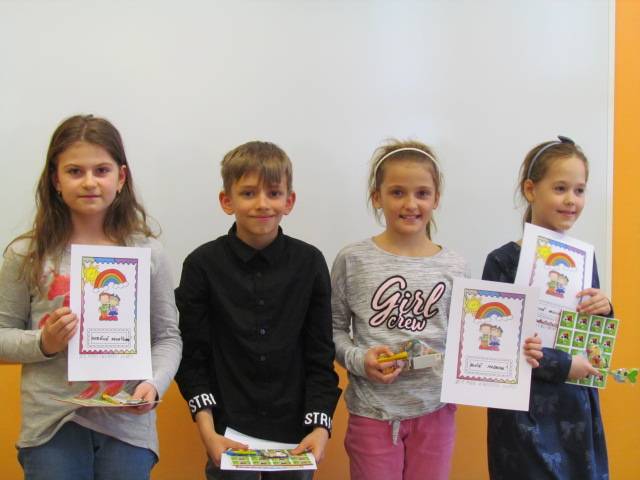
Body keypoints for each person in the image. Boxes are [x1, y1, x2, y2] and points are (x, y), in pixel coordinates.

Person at [0, 114, 182, 479]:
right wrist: (44, 343)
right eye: (74, 171)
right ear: (55, 180)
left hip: (127, 426)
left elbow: (167, 336)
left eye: (101, 170)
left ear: (121, 178)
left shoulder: (147, 253)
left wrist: (153, 383)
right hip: (51, 425)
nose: (89, 182)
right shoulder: (27, 254)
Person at [174, 141, 341, 480]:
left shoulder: (310, 263)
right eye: (248, 193)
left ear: (289, 201)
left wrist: (320, 428)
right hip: (227, 432)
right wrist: (207, 431)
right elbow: (192, 358)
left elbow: (320, 356)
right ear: (227, 201)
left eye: (274, 193)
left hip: (296, 435)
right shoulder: (201, 265)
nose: (262, 203)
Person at [331, 140, 466, 480]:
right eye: (397, 192)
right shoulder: (353, 260)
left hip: (436, 413)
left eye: (422, 193)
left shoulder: (456, 267)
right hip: (373, 414)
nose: (411, 204)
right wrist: (360, 360)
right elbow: (332, 331)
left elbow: (466, 341)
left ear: (436, 198)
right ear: (377, 197)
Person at [482, 136, 612, 479]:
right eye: (560, 188)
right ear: (530, 189)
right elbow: (496, 348)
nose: (571, 200)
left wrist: (604, 310)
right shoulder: (503, 261)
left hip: (576, 410)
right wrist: (564, 365)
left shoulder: (584, 260)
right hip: (522, 418)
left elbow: (595, 349)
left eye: (579, 190)